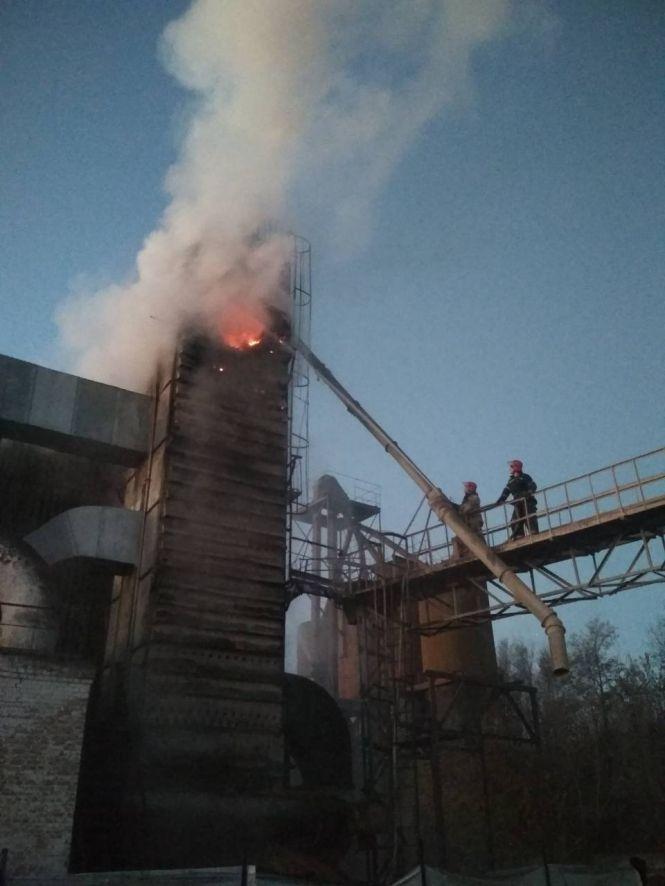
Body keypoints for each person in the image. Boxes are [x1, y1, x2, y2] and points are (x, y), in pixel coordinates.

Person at [496, 459, 539, 540]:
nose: (509, 469)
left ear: (516, 467)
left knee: (529, 517)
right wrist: (501, 500)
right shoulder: (511, 480)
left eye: (511, 467)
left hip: (527, 501)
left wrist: (528, 493)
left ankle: (534, 534)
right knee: (514, 521)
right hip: (517, 503)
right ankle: (519, 536)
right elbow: (506, 491)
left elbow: (533, 486)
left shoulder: (525, 477)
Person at [452, 481, 483, 558]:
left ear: (469, 488)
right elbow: (462, 508)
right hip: (469, 523)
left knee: (476, 539)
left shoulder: (474, 498)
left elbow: (465, 509)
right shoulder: (468, 498)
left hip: (473, 523)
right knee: (459, 539)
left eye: (466, 487)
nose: (464, 489)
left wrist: (455, 507)